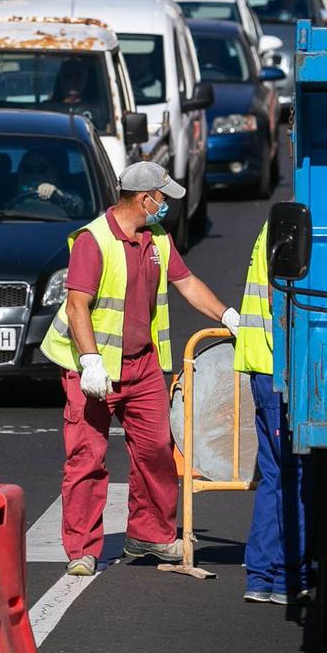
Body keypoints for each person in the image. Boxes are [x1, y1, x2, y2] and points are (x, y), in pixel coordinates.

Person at [39, 162, 240, 578]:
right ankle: (82, 549)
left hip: (142, 365)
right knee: (87, 458)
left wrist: (228, 316)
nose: (166, 204)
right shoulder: (95, 240)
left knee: (156, 451)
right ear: (144, 197)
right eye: (162, 196)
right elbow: (78, 304)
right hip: (92, 367)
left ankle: (149, 533)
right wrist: (91, 361)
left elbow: (186, 282)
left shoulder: (157, 237)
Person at [236, 223, 307, 603]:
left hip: (263, 367)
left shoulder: (271, 226)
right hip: (279, 369)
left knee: (274, 476)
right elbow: (275, 299)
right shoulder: (290, 227)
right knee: (292, 475)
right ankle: (286, 577)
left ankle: (263, 577)